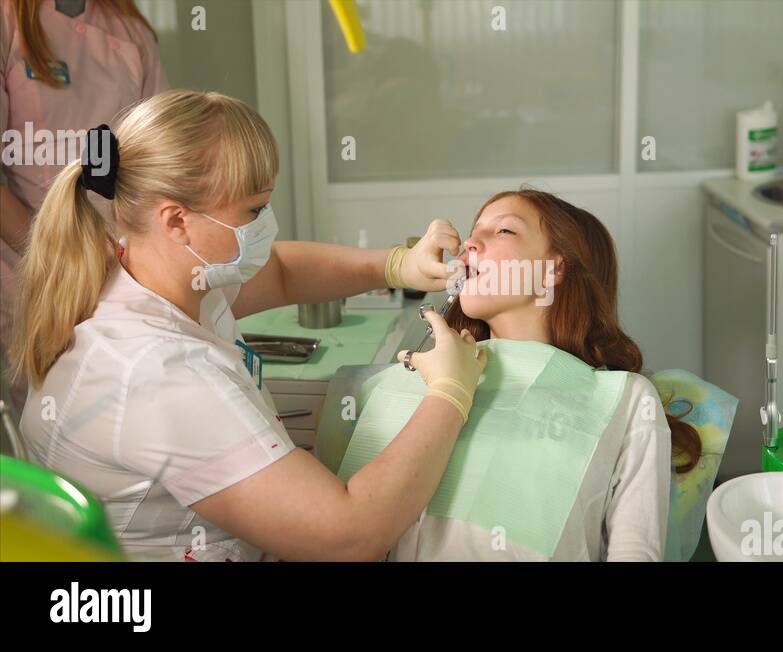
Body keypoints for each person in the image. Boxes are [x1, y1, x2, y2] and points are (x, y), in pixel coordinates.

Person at [11, 89, 487, 561]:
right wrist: (449, 395)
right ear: (177, 220)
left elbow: (280, 272)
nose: (266, 225)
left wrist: (394, 265)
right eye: (253, 211)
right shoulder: (156, 372)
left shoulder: (151, 272)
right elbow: (348, 535)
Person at [347, 189, 701, 561]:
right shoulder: (429, 375)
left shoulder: (627, 399)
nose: (469, 243)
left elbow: (635, 552)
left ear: (555, 268)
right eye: (474, 230)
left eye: (503, 231)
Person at [1, 0, 169, 413]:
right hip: (36, 272)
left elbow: (159, 154)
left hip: (124, 267)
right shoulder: (8, 25)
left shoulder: (128, 28)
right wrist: (63, 264)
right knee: (59, 418)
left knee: (132, 415)